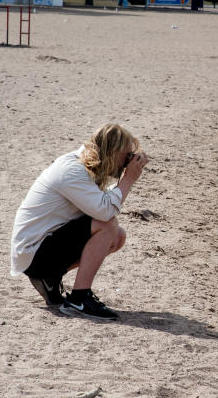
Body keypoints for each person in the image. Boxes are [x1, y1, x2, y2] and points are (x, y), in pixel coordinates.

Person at [10, 124, 149, 320]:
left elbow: (101, 206)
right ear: (112, 152)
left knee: (117, 236)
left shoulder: (86, 166)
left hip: (40, 248)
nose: (127, 162)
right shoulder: (72, 171)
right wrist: (129, 179)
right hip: (33, 253)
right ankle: (79, 298)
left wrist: (126, 175)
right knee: (108, 225)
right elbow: (105, 211)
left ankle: (49, 278)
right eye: (126, 156)